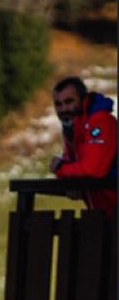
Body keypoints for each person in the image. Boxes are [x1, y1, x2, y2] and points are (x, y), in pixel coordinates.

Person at [50, 76, 117, 219]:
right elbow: (72, 165)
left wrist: (60, 168)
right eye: (58, 104)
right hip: (101, 215)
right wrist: (72, 182)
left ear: (82, 99)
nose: (63, 109)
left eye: (69, 101)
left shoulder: (101, 121)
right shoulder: (73, 128)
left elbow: (93, 169)